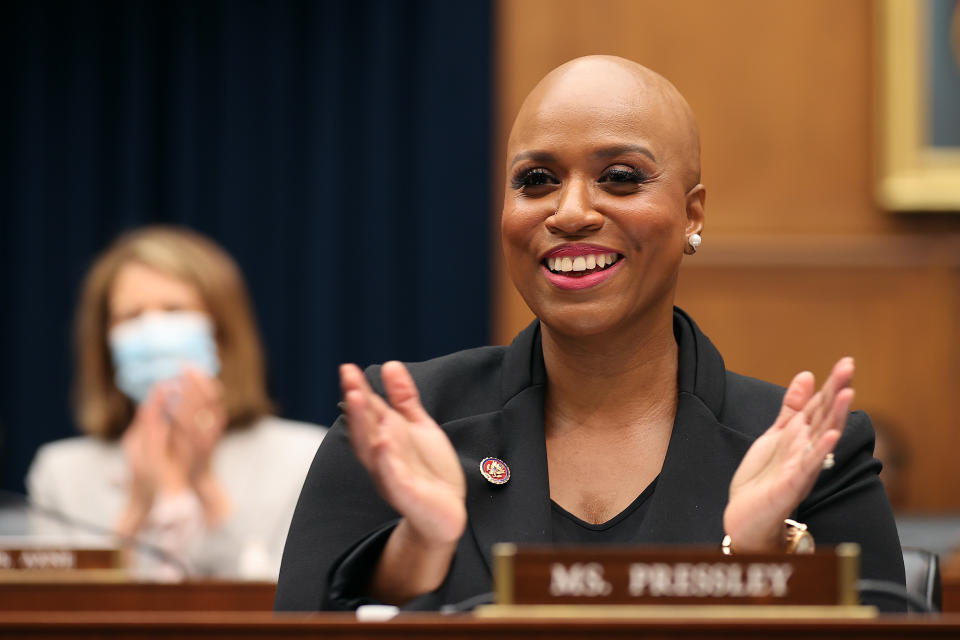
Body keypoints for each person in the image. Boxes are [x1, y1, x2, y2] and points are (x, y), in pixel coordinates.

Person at [275, 56, 905, 611]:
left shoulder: (808, 451)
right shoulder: (401, 427)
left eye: (621, 177)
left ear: (693, 214)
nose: (571, 212)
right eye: (536, 180)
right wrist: (418, 549)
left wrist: (759, 558)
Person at [26, 226, 326, 580]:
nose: (153, 330)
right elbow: (58, 617)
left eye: (174, 309)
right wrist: (135, 512)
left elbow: (294, 608)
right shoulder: (60, 474)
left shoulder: (305, 458)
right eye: (131, 316)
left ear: (221, 330)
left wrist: (208, 491)